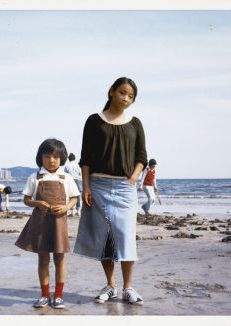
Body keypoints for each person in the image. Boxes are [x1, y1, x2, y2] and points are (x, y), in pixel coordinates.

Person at [73, 77, 147, 305]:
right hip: (98, 186)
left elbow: (141, 156)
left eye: (131, 96)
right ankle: (111, 286)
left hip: (125, 189)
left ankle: (128, 287)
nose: (126, 98)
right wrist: (85, 186)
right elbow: (85, 158)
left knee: (126, 239)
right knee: (104, 239)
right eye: (123, 93)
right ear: (112, 92)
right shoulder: (94, 121)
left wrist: (133, 178)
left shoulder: (135, 123)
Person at [15, 139, 80, 309]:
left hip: (59, 222)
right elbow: (26, 199)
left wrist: (66, 207)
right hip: (40, 222)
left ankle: (58, 296)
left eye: (56, 157)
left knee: (60, 258)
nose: (51, 160)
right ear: (40, 158)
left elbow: (74, 198)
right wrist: (37, 203)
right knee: (43, 259)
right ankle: (44, 295)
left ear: (62, 158)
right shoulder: (34, 177)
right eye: (47, 156)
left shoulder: (66, 177)